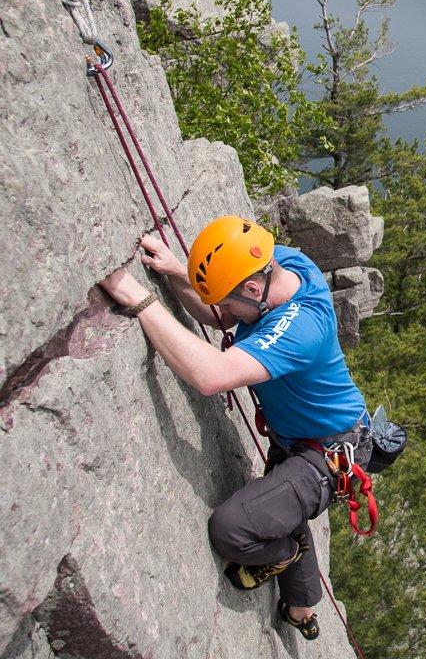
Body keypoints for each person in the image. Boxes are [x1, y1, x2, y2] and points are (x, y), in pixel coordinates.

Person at [100, 215, 371, 641]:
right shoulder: (283, 265)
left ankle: (281, 553)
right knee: (279, 504)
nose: (224, 314)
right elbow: (223, 315)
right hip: (299, 437)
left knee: (233, 528)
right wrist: (177, 271)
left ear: (252, 290)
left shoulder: (300, 327)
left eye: (228, 302)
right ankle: (301, 609)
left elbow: (210, 375)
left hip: (328, 453)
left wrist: (138, 298)